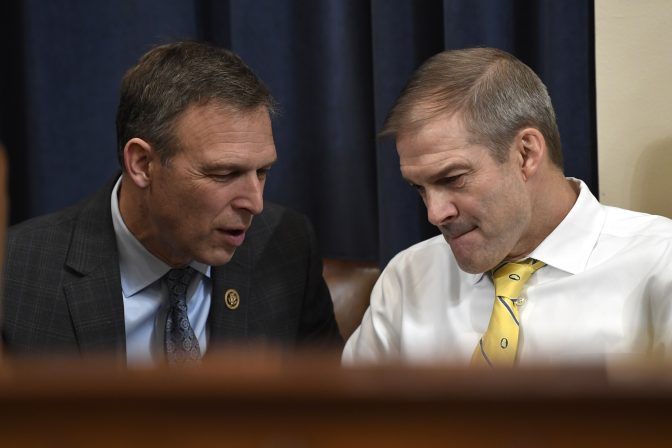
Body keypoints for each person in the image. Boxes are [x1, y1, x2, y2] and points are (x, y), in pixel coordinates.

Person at [2, 41, 342, 366]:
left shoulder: (286, 247)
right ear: (142, 164)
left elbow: (331, 416)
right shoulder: (16, 274)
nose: (255, 203)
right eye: (224, 174)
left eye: (263, 171)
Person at [343, 47, 672, 367]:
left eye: (453, 178)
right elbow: (350, 419)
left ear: (525, 154)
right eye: (420, 188)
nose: (434, 213)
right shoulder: (408, 277)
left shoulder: (660, 262)